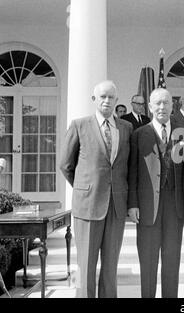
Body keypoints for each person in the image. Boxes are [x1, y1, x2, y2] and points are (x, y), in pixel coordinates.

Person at [59, 80, 133, 298]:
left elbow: (128, 166)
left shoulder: (126, 128)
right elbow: (65, 164)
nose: (107, 101)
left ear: (117, 101)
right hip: (88, 205)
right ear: (94, 99)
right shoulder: (79, 125)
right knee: (86, 265)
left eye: (111, 97)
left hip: (116, 206)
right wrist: (84, 188)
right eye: (103, 97)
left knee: (111, 265)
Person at [127, 88, 184, 298]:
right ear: (150, 107)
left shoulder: (183, 132)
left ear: (173, 106)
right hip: (146, 205)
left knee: (172, 259)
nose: (162, 107)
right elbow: (132, 171)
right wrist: (132, 204)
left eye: (166, 103)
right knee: (148, 260)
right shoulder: (138, 135)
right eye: (157, 103)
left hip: (174, 205)